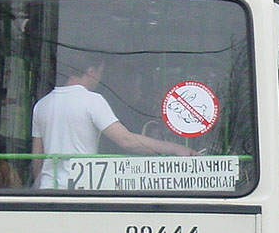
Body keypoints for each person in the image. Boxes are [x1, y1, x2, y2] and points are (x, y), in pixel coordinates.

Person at [31, 60, 197, 189]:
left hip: (48, 190)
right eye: (100, 72)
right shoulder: (92, 101)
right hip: (78, 190)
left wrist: (42, 188)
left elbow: (37, 157)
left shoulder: (42, 105)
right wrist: (175, 148)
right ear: (90, 71)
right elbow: (127, 141)